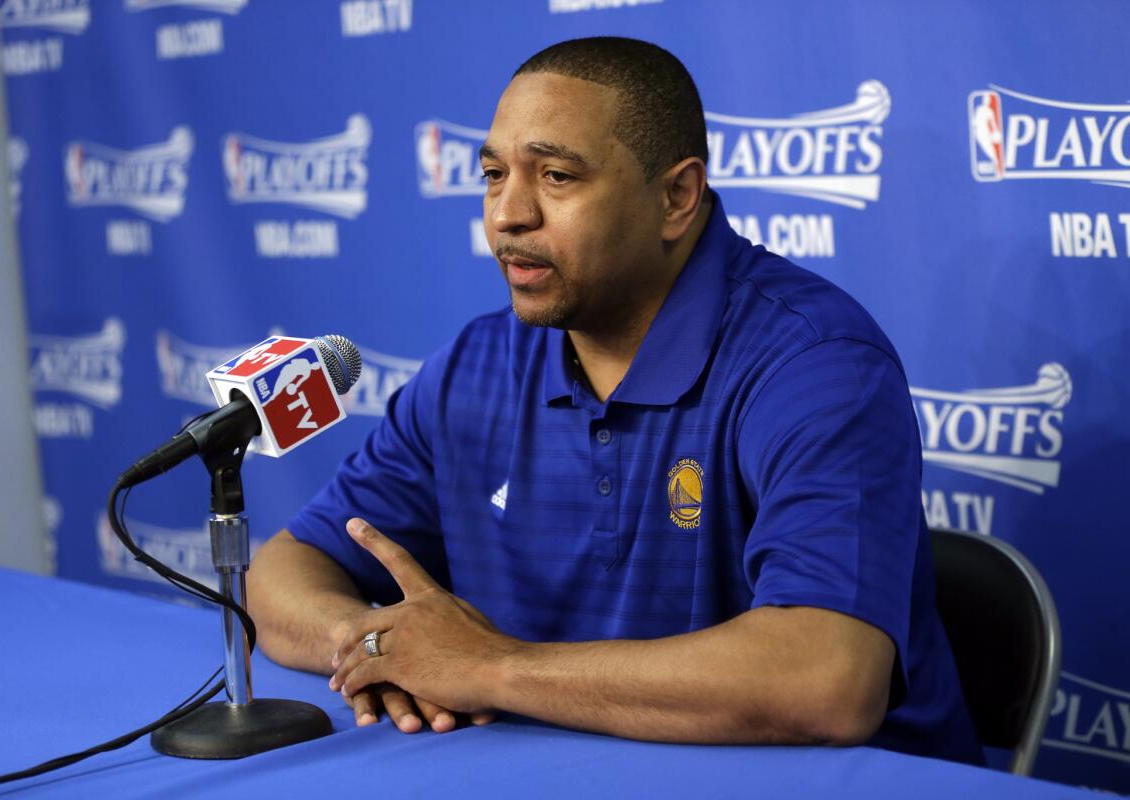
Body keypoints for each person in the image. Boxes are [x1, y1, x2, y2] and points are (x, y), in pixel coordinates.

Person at [247, 36, 983, 764]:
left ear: (676, 197)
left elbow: (827, 681)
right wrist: (377, 647)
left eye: (558, 177)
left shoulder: (814, 364)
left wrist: (488, 667)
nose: (508, 214)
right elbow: (281, 575)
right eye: (494, 173)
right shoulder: (475, 366)